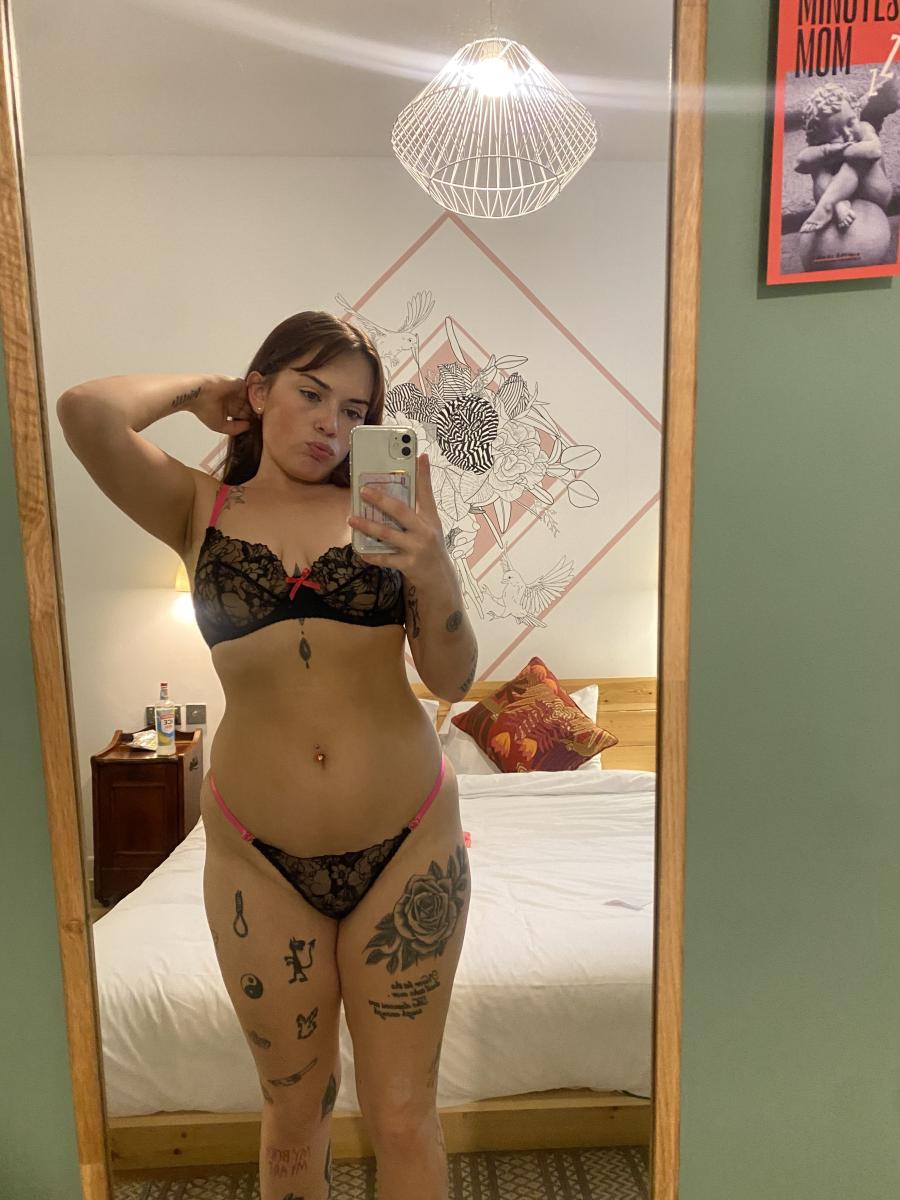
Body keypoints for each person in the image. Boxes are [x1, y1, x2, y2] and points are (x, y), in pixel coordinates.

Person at [56, 310, 478, 1200]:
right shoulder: (198, 507)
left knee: (405, 1114)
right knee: (293, 1113)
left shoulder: (391, 513)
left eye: (355, 411)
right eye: (310, 393)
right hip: (259, 857)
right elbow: (86, 411)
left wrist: (434, 567)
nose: (332, 424)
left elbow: (452, 677)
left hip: (408, 845)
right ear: (259, 391)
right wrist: (197, 393)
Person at [795, 82, 893, 234]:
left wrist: (842, 150)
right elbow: (799, 163)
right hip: (842, 197)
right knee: (819, 169)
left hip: (875, 193)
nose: (848, 134)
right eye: (836, 135)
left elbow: (874, 151)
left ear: (856, 112)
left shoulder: (864, 128)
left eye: (850, 122)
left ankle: (827, 204)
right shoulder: (824, 147)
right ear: (821, 137)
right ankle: (837, 204)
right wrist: (827, 150)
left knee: (856, 160)